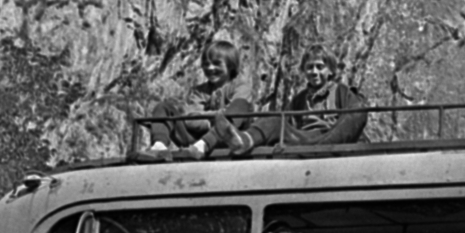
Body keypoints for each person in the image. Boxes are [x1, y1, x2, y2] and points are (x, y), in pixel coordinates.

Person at [216, 44, 367, 155]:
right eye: (310, 67)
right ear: (304, 71)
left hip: (332, 137)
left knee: (358, 110)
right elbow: (287, 125)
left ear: (331, 71)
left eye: (320, 67)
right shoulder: (299, 99)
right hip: (304, 140)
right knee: (275, 119)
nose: (314, 72)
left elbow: (354, 119)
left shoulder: (341, 91)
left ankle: (323, 149)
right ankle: (243, 141)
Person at [136, 38, 255, 161]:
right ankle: (159, 146)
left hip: (231, 139)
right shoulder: (199, 91)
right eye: (206, 64)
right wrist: (214, 120)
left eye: (216, 63)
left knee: (241, 105)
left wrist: (208, 117)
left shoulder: (241, 86)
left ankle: (204, 144)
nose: (210, 68)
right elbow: (191, 118)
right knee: (164, 107)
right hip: (197, 138)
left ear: (230, 65)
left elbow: (236, 114)